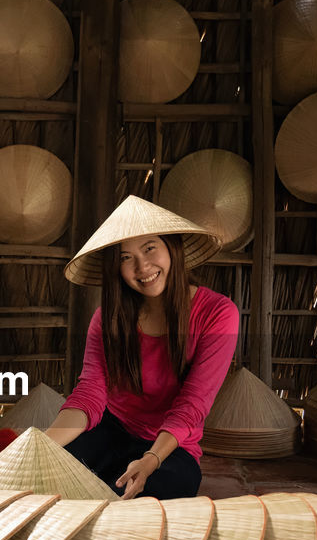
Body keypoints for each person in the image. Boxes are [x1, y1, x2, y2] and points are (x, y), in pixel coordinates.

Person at [44, 196, 239, 500]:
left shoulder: (218, 313)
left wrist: (150, 460)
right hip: (110, 431)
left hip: (170, 450)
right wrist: (43, 446)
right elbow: (90, 392)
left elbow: (193, 405)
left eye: (150, 248)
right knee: (46, 480)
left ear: (171, 247)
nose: (142, 266)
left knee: (144, 499)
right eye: (125, 258)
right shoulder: (106, 318)